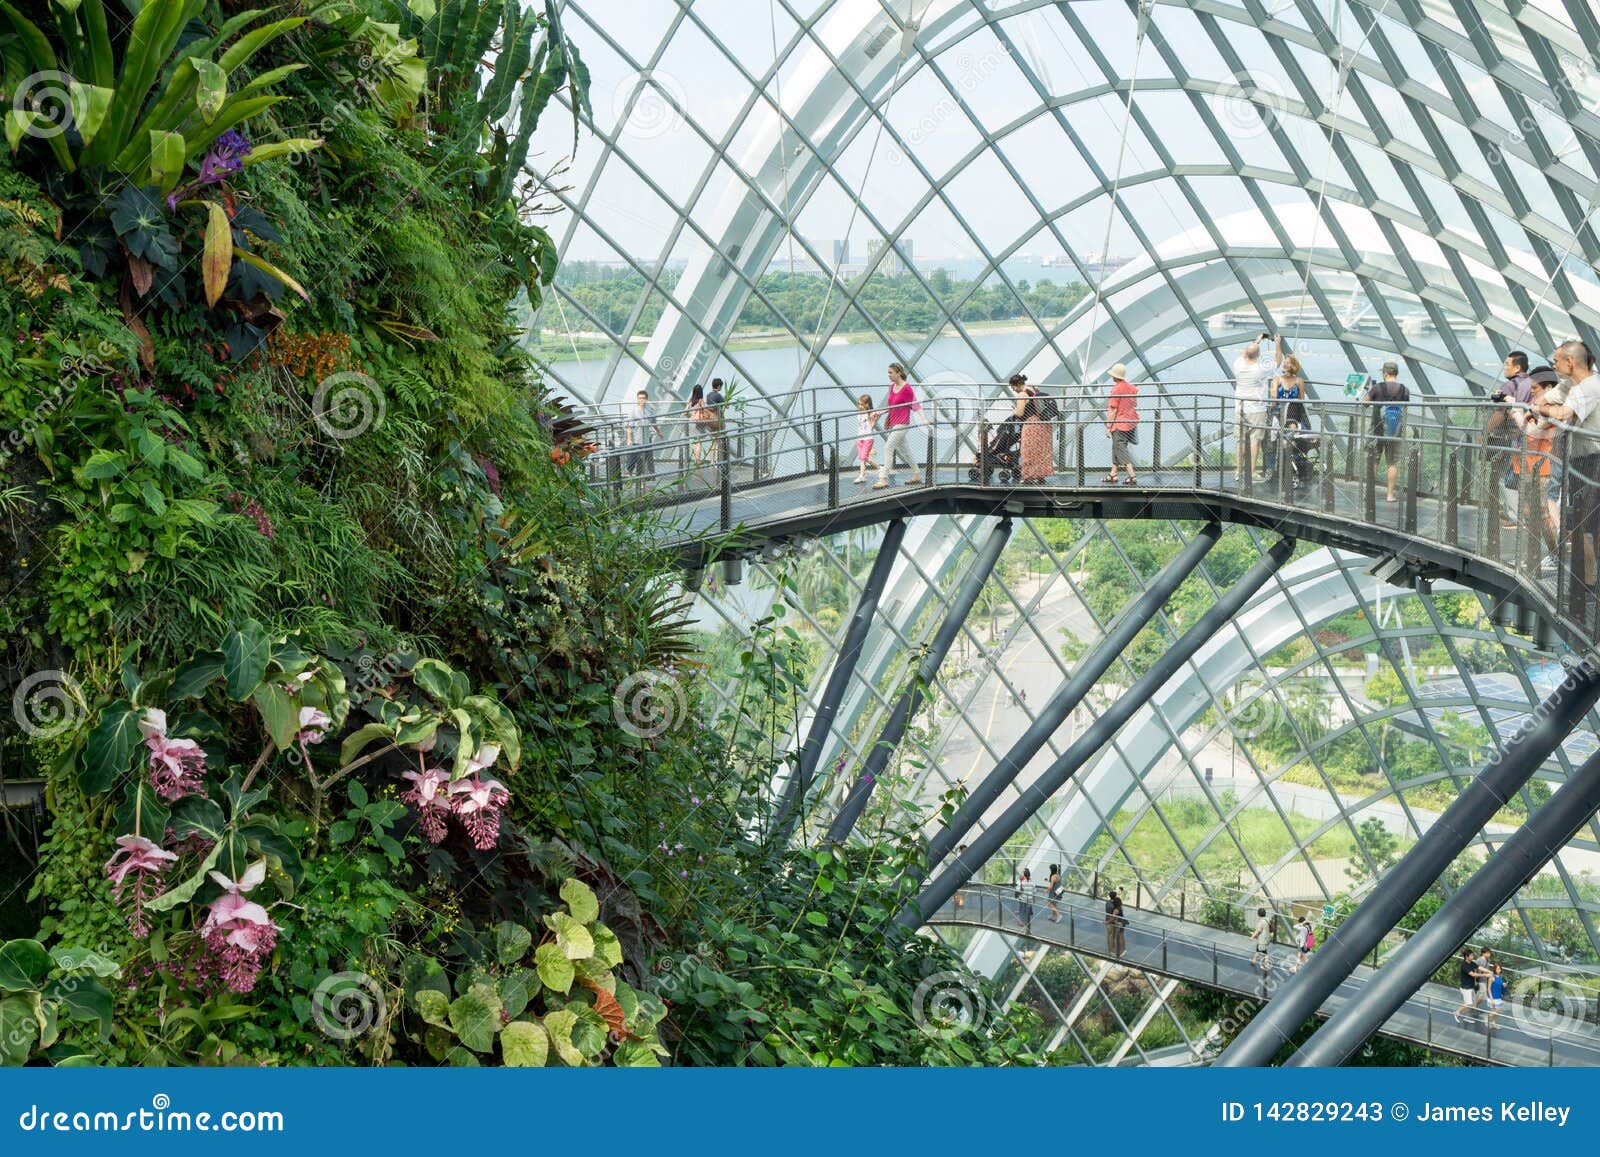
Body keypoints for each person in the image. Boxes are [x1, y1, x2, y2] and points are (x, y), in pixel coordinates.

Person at [1531, 340, 1600, 592]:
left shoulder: (1589, 388)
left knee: (1584, 523)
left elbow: (1562, 413)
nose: (1554, 364)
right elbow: (1546, 398)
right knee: (1585, 523)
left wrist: (1541, 410)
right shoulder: (1573, 384)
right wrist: (1541, 406)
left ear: (1570, 362)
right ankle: (1588, 581)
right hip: (1583, 459)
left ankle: (1586, 585)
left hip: (1593, 461)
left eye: (1557, 360)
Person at [1233, 334, 1281, 480]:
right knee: (1255, 440)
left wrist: (1257, 341)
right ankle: (1251, 471)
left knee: (1240, 440)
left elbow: (1243, 353)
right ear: (1259, 355)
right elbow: (1278, 361)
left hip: (1240, 408)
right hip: (1256, 409)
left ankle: (1238, 470)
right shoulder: (1260, 369)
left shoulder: (1238, 365)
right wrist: (1277, 343)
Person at [1366, 361, 1410, 503]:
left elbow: (1365, 404)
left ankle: (1370, 492)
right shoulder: (1404, 389)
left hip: (1377, 430)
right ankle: (1390, 495)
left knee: (1373, 460)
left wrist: (1370, 390)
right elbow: (1405, 408)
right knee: (1392, 463)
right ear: (1396, 373)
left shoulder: (1377, 388)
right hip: (1395, 431)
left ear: (1385, 373)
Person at [874, 362, 923, 489]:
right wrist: (881, 413)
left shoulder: (906, 388)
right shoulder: (892, 387)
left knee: (888, 447)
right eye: (888, 372)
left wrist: (924, 419)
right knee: (905, 451)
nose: (888, 375)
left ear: (899, 373)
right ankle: (917, 474)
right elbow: (892, 406)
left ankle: (883, 479)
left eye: (891, 372)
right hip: (894, 423)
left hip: (902, 424)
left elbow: (915, 404)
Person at [1268, 356, 1307, 478]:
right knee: (1274, 435)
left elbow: (1301, 400)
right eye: (1284, 362)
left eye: (1288, 363)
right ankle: (1274, 466)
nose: (1284, 364)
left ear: (1293, 366)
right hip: (1279, 412)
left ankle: (1293, 456)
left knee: (1292, 418)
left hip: (1293, 411)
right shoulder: (1277, 380)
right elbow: (1274, 399)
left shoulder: (1299, 381)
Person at [1012, 373, 1053, 483]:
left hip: (1031, 424)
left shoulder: (1023, 394)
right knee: (1040, 451)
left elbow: (1020, 413)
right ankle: (1040, 476)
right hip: (1044, 423)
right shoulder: (1034, 389)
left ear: (1016, 385)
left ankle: (1028, 477)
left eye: (1013, 388)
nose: (1014, 390)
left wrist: (1014, 410)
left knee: (1028, 450)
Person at [1103, 364, 1139, 484]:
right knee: (1117, 447)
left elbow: (1113, 409)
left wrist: (1108, 426)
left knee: (1120, 448)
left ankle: (1132, 475)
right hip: (1131, 422)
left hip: (1120, 423)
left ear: (1114, 376)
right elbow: (1135, 405)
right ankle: (1113, 474)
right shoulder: (1132, 388)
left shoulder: (1116, 389)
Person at [623, 389, 661, 478]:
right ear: (637, 399)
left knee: (644, 459)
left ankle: (642, 479)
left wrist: (659, 432)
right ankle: (630, 476)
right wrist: (629, 439)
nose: (641, 400)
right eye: (639, 398)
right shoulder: (634, 411)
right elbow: (629, 426)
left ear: (647, 399)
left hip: (646, 439)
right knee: (632, 459)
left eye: (643, 398)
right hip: (636, 439)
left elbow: (653, 422)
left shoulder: (650, 410)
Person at [853, 394, 879, 484]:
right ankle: (879, 469)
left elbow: (871, 427)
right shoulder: (859, 413)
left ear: (867, 404)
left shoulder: (870, 413)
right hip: (860, 438)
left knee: (863, 457)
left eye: (861, 404)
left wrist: (875, 420)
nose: (859, 406)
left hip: (868, 438)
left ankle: (861, 476)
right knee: (862, 458)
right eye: (859, 404)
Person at [1454, 948, 1482, 1025]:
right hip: (1465, 988)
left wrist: (1489, 971)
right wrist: (1485, 974)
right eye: (1471, 955)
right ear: (1467, 956)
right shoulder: (1464, 965)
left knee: (1467, 1003)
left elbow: (1479, 967)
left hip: (1470, 987)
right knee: (1468, 1003)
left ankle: (1466, 1018)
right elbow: (1472, 974)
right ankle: (1457, 1012)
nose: (1473, 956)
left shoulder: (1472, 963)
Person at [685, 384, 712, 462]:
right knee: (699, 442)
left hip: (692, 422)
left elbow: (686, 411)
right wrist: (709, 414)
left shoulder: (690, 401)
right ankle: (698, 461)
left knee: (694, 442)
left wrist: (690, 415)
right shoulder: (701, 400)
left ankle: (696, 459)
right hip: (699, 423)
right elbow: (705, 409)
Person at [703, 378, 726, 462]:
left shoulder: (708, 395)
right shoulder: (718, 395)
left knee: (713, 441)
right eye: (721, 386)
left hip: (709, 420)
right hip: (717, 420)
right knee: (720, 440)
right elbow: (725, 405)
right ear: (719, 386)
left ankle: (712, 461)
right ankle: (720, 461)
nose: (721, 388)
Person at [1250, 907, 1273, 973]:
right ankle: (1254, 961)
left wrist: (1252, 936)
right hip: (1267, 938)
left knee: (1264, 952)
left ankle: (1266, 965)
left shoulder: (1261, 921)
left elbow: (1259, 931)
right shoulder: (1268, 919)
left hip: (1263, 939)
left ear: (1258, 914)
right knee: (1259, 948)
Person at [1487, 963, 1506, 1030]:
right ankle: (1487, 1017)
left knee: (1495, 1012)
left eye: (1500, 969)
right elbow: (1489, 988)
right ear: (1495, 969)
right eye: (1497, 969)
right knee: (1497, 1011)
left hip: (1498, 997)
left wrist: (1503, 986)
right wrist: (1491, 999)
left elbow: (1499, 986)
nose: (1499, 970)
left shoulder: (1500, 977)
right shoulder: (1492, 978)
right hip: (1493, 997)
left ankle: (1493, 1023)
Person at [1105, 890, 1124, 954]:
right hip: (1111, 921)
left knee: (1110, 935)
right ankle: (1111, 950)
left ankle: (1111, 949)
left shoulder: (1107, 902)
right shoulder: (1114, 906)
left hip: (1108, 919)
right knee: (1111, 936)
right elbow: (1113, 916)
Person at [953, 843, 969, 911]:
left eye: (966, 850)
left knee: (962, 891)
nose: (965, 851)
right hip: (959, 876)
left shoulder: (967, 857)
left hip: (965, 876)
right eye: (964, 850)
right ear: (961, 850)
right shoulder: (959, 857)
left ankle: (959, 903)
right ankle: (958, 903)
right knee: (959, 891)